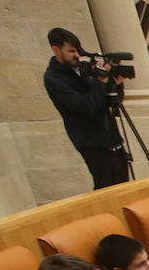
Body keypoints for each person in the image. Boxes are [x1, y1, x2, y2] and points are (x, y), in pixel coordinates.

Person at [43, 27, 127, 189]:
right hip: (91, 143)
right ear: (56, 49)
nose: (77, 55)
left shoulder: (84, 69)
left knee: (124, 186)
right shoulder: (53, 78)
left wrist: (116, 85)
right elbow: (85, 106)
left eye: (78, 51)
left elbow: (112, 102)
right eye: (71, 51)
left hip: (111, 135)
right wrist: (101, 80)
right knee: (106, 189)